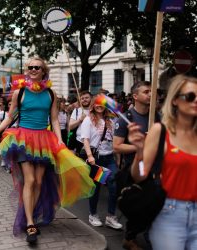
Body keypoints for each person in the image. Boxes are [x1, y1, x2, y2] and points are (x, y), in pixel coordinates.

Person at [0, 57, 95, 244]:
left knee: (40, 181)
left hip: (44, 140)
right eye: (31, 67)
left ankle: (31, 213)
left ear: (43, 71)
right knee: (31, 179)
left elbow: (55, 121)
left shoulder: (51, 94)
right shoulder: (20, 92)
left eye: (38, 67)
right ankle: (29, 223)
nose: (33, 69)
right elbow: (10, 116)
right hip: (23, 140)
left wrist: (59, 141)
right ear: (27, 71)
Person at [128, 74, 197, 250]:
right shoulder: (160, 131)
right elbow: (140, 174)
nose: (195, 101)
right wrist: (139, 152)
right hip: (170, 214)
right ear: (175, 100)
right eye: (190, 97)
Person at [113, 81, 160, 250]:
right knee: (142, 206)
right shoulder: (126, 118)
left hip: (156, 168)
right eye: (146, 91)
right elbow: (117, 146)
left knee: (156, 204)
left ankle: (149, 236)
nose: (150, 94)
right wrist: (141, 145)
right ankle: (132, 237)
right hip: (135, 170)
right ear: (135, 96)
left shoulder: (157, 116)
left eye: (151, 91)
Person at [81, 96, 122, 230]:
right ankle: (93, 214)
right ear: (93, 105)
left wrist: (117, 157)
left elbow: (113, 140)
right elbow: (85, 140)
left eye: (102, 104)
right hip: (96, 159)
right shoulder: (88, 120)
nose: (99, 106)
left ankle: (111, 216)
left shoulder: (110, 119)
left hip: (109, 158)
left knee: (114, 185)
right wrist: (90, 156)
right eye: (97, 104)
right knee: (96, 188)